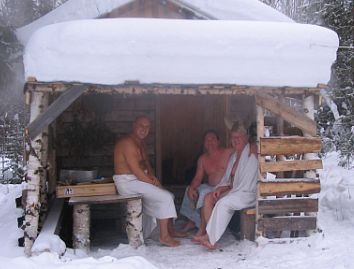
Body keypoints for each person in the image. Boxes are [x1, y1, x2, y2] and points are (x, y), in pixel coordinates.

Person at [113, 116, 184, 247]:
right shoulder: (127, 143)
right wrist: (152, 183)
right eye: (141, 125)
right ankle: (164, 237)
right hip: (128, 182)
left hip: (138, 180)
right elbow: (137, 172)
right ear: (134, 125)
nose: (144, 129)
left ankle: (170, 230)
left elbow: (146, 164)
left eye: (147, 127)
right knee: (165, 197)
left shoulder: (140, 142)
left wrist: (154, 179)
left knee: (168, 195)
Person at [193, 122, 259, 249]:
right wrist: (221, 188)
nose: (235, 140)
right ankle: (208, 233)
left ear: (246, 138)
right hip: (235, 191)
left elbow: (259, 143)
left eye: (238, 137)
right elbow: (229, 180)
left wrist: (253, 144)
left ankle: (211, 240)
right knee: (208, 198)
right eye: (233, 137)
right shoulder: (234, 156)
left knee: (223, 203)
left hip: (247, 193)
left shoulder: (252, 150)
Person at [179, 130, 233, 232]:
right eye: (207, 140)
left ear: (218, 141)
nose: (210, 142)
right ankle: (192, 221)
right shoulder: (203, 159)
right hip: (210, 185)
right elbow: (198, 178)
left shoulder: (227, 152)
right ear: (204, 144)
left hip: (224, 187)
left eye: (212, 139)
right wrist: (192, 187)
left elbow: (240, 147)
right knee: (189, 190)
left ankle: (202, 228)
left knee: (203, 193)